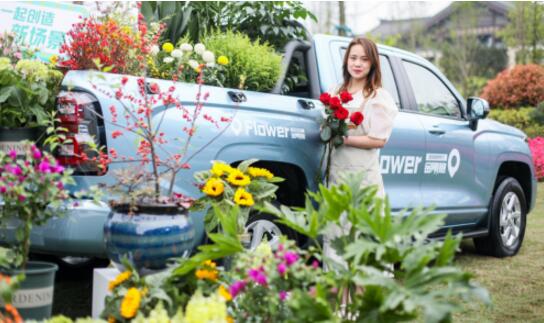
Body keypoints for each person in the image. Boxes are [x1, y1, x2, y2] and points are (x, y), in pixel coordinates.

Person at [324, 37, 398, 269]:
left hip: (363, 178)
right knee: (337, 238)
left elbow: (379, 139)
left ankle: (360, 302)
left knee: (361, 241)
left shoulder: (377, 96)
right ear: (346, 60)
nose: (357, 64)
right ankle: (339, 303)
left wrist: (345, 139)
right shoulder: (336, 91)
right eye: (353, 58)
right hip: (336, 176)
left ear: (372, 64)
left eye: (364, 59)